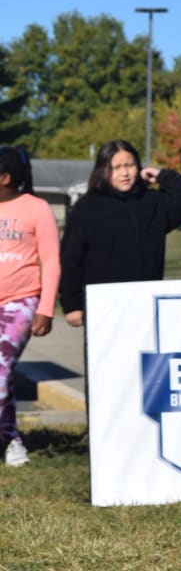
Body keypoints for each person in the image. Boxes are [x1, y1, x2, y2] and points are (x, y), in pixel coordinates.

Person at [60, 140, 181, 328]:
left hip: (146, 305)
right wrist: (72, 304)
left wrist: (162, 176)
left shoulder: (153, 203)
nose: (125, 173)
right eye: (116, 167)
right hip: (102, 308)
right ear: (103, 171)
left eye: (130, 165)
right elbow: (71, 260)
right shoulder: (86, 209)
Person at [0, 147, 60, 467]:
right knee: (4, 378)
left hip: (20, 303)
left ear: (5, 178)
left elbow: (50, 261)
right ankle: (11, 440)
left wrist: (46, 307)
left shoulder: (36, 209)